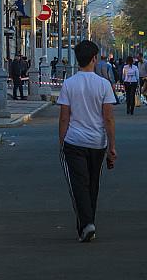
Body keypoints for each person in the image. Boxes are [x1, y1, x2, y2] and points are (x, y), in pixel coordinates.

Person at [57, 39, 117, 243]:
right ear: (94, 59)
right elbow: (108, 118)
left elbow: (64, 117)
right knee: (93, 184)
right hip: (97, 143)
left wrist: (61, 142)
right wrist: (112, 147)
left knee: (78, 185)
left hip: (74, 141)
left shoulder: (69, 83)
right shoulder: (104, 85)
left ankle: (86, 224)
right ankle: (88, 224)